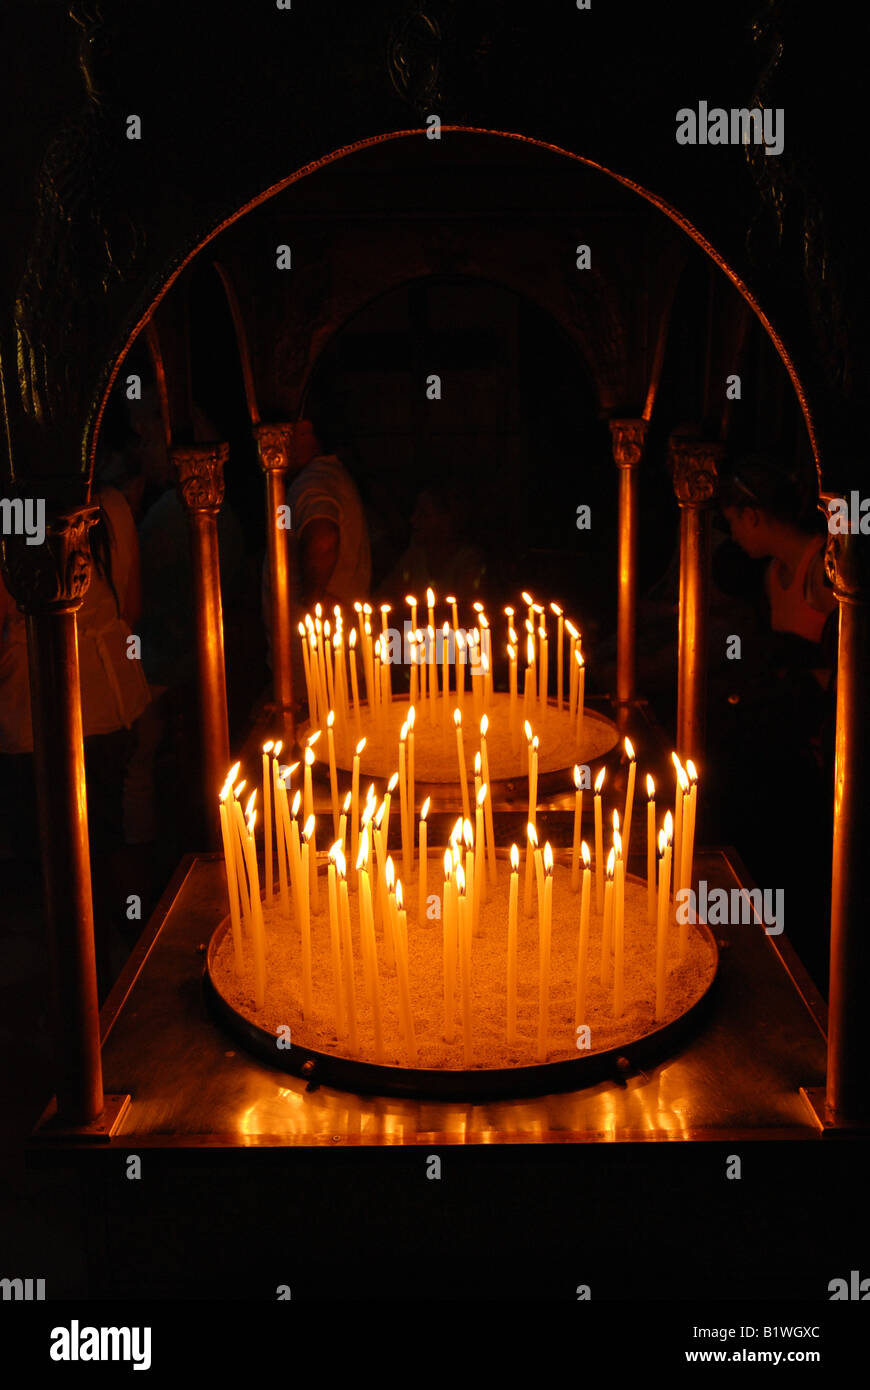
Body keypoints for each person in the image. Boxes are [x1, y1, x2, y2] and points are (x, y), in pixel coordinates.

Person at [0, 485, 151, 994]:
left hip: (35, 710)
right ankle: (112, 980)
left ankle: (77, 995)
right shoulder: (110, 503)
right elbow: (130, 606)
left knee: (51, 862)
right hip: (109, 702)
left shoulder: (13, 512)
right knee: (102, 844)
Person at [263, 415, 372, 706]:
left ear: (305, 429)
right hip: (328, 664)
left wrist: (312, 602)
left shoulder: (315, 481)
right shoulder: (325, 477)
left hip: (319, 670)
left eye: (281, 431)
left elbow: (322, 536)